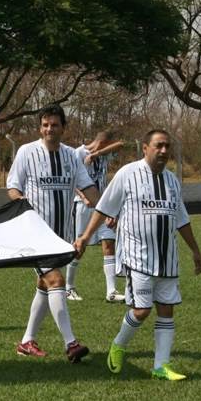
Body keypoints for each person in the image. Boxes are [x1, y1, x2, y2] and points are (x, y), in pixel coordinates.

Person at [74, 129, 201, 381]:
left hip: (167, 258)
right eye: (158, 145)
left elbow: (182, 219)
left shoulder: (172, 181)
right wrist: (85, 237)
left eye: (167, 146)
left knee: (166, 309)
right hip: (138, 257)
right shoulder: (128, 174)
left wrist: (195, 250)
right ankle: (119, 345)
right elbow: (103, 208)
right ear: (145, 148)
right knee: (142, 310)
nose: (164, 151)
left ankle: (161, 366)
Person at [6, 103, 100, 361]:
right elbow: (12, 187)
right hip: (36, 237)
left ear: (63, 128)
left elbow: (90, 190)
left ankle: (26, 341)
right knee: (57, 282)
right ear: (40, 127)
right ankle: (71, 343)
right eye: (45, 125)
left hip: (62, 238)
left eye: (55, 125)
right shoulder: (27, 152)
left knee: (45, 286)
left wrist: (108, 211)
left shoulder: (72, 156)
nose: (50, 129)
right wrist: (20, 199)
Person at [65, 130, 125, 303]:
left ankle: (111, 292)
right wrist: (84, 196)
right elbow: (72, 179)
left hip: (103, 206)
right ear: (102, 142)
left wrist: (97, 154)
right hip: (84, 206)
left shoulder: (103, 155)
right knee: (78, 247)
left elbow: (121, 145)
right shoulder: (77, 153)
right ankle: (69, 287)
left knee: (109, 243)